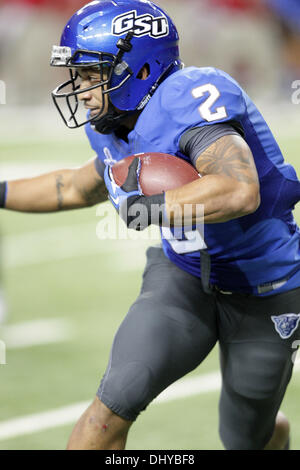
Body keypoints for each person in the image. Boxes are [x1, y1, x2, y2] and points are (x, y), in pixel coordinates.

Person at [1, 0, 300, 450]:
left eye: (90, 74)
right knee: (109, 409)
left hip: (265, 287)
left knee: (247, 437)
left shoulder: (189, 96)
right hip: (182, 276)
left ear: (137, 69)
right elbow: (78, 186)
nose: (80, 89)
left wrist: (148, 206)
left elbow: (239, 190)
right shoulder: (113, 121)